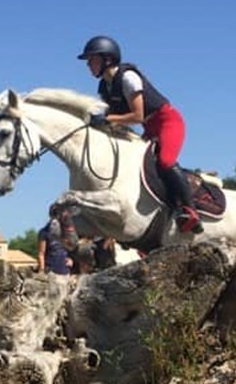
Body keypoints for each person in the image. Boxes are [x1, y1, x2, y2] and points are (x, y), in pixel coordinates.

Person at [77, 35, 203, 234]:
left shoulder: (128, 78)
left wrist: (108, 119)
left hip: (167, 121)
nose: (88, 65)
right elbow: (113, 115)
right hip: (149, 127)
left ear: (107, 59)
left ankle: (190, 210)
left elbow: (137, 115)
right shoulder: (104, 86)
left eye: (92, 59)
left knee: (165, 161)